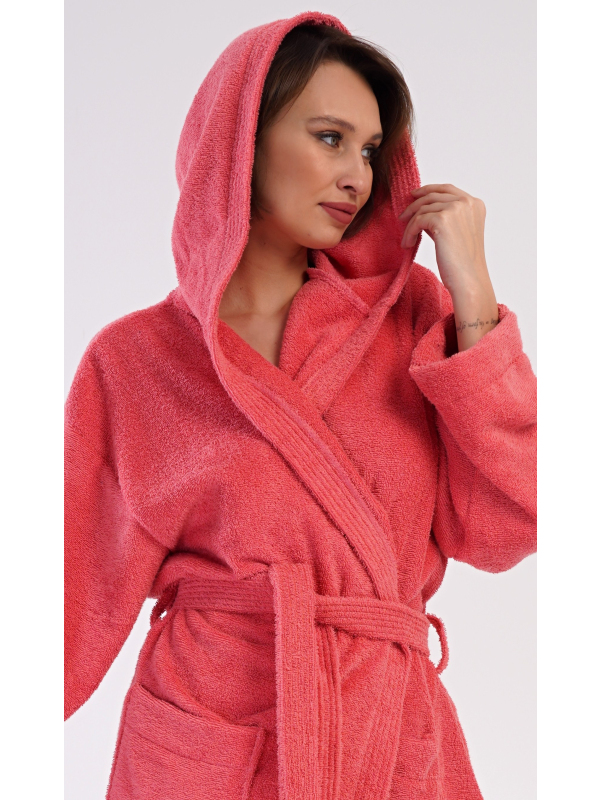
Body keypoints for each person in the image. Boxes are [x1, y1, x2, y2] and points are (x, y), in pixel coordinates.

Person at [64, 11, 536, 800]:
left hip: (387, 734)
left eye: (370, 150)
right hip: (209, 737)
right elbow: (65, 599)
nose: (357, 175)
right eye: (328, 138)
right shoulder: (136, 361)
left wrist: (474, 302)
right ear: (240, 142)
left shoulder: (414, 321)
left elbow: (508, 524)